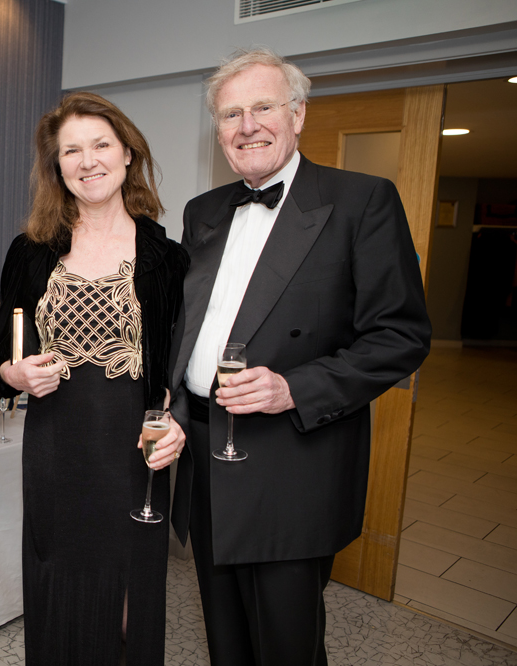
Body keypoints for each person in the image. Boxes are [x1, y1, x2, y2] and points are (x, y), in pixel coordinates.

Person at [168, 47, 432, 666]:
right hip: (208, 458)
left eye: (263, 107)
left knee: (286, 647)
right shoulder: (203, 212)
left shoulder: (362, 201)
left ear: (298, 114)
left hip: (291, 464)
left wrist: (294, 388)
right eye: (231, 114)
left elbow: (401, 335)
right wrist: (172, 406)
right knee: (225, 642)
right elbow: (189, 328)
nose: (247, 125)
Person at [0, 92, 188, 666]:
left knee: (126, 604)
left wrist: (176, 418)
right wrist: (13, 372)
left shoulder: (166, 257)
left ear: (127, 155)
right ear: (57, 168)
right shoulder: (30, 252)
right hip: (56, 449)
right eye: (71, 150)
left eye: (100, 145)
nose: (87, 160)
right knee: (58, 594)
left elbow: (178, 361)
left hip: (132, 451)